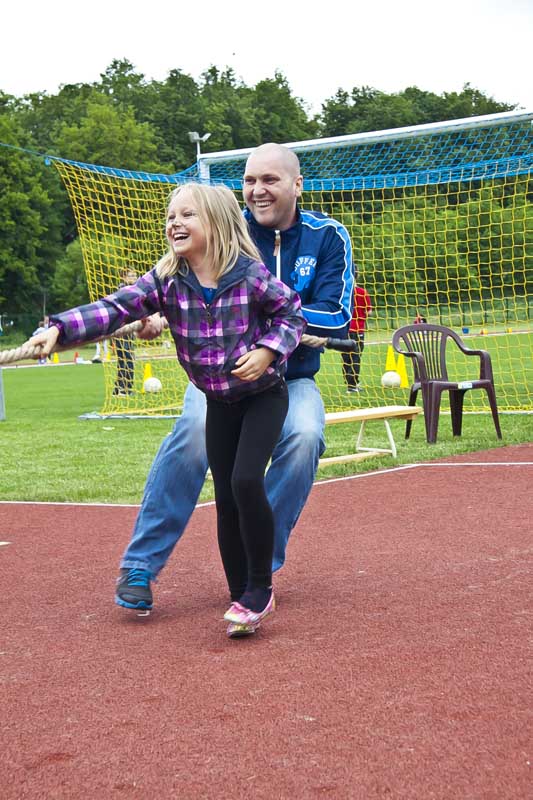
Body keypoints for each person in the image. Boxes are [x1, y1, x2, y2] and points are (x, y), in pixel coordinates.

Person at [29, 182, 305, 638]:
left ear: (216, 224)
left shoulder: (250, 276)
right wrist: (60, 329)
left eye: (187, 215)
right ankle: (241, 596)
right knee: (226, 499)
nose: (174, 223)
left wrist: (269, 350)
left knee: (245, 480)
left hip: (263, 395)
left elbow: (292, 314)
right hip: (219, 401)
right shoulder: (167, 281)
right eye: (171, 216)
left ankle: (260, 587)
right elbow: (115, 309)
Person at [117, 143, 355, 615]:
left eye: (269, 180)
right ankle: (140, 564)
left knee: (306, 436)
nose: (257, 190)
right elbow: (176, 282)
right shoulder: (224, 227)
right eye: (249, 180)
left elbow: (336, 316)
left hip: (291, 378)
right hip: (220, 382)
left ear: (297, 184)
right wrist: (162, 314)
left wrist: (263, 322)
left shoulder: (327, 236)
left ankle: (258, 564)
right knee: (191, 434)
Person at [342, 284, 372, 392]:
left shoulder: (343, 291)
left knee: (346, 356)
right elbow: (369, 312)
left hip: (344, 329)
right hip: (357, 329)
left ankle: (349, 382)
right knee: (355, 356)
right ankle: (352, 385)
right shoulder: (362, 292)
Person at [112, 268, 137, 396]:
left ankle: (120, 387)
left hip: (128, 327)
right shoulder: (123, 290)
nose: (134, 278)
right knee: (126, 357)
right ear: (124, 278)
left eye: (135, 275)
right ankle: (125, 388)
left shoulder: (133, 290)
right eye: (131, 275)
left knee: (125, 357)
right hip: (122, 327)